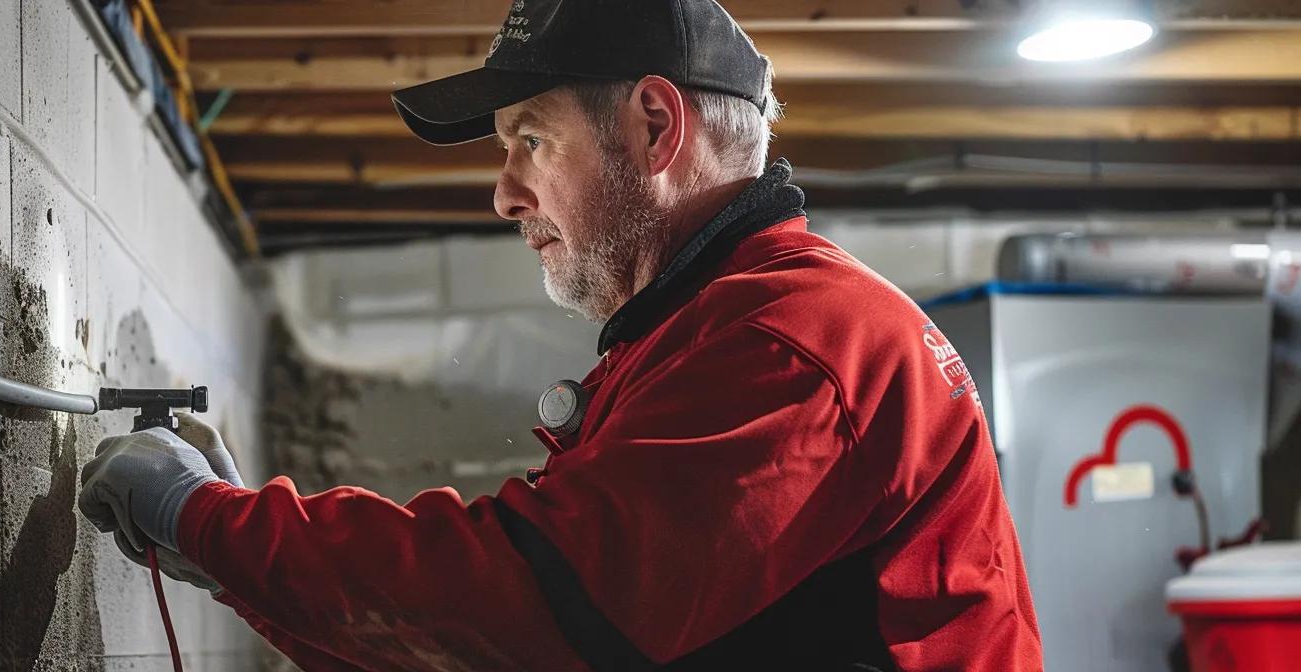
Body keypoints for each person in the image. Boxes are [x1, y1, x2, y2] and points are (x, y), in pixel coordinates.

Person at [79, 1, 1043, 669]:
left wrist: (206, 522)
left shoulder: (794, 345)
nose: (503, 192)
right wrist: (223, 550)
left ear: (654, 126)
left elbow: (534, 615)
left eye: (530, 138)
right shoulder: (711, 330)